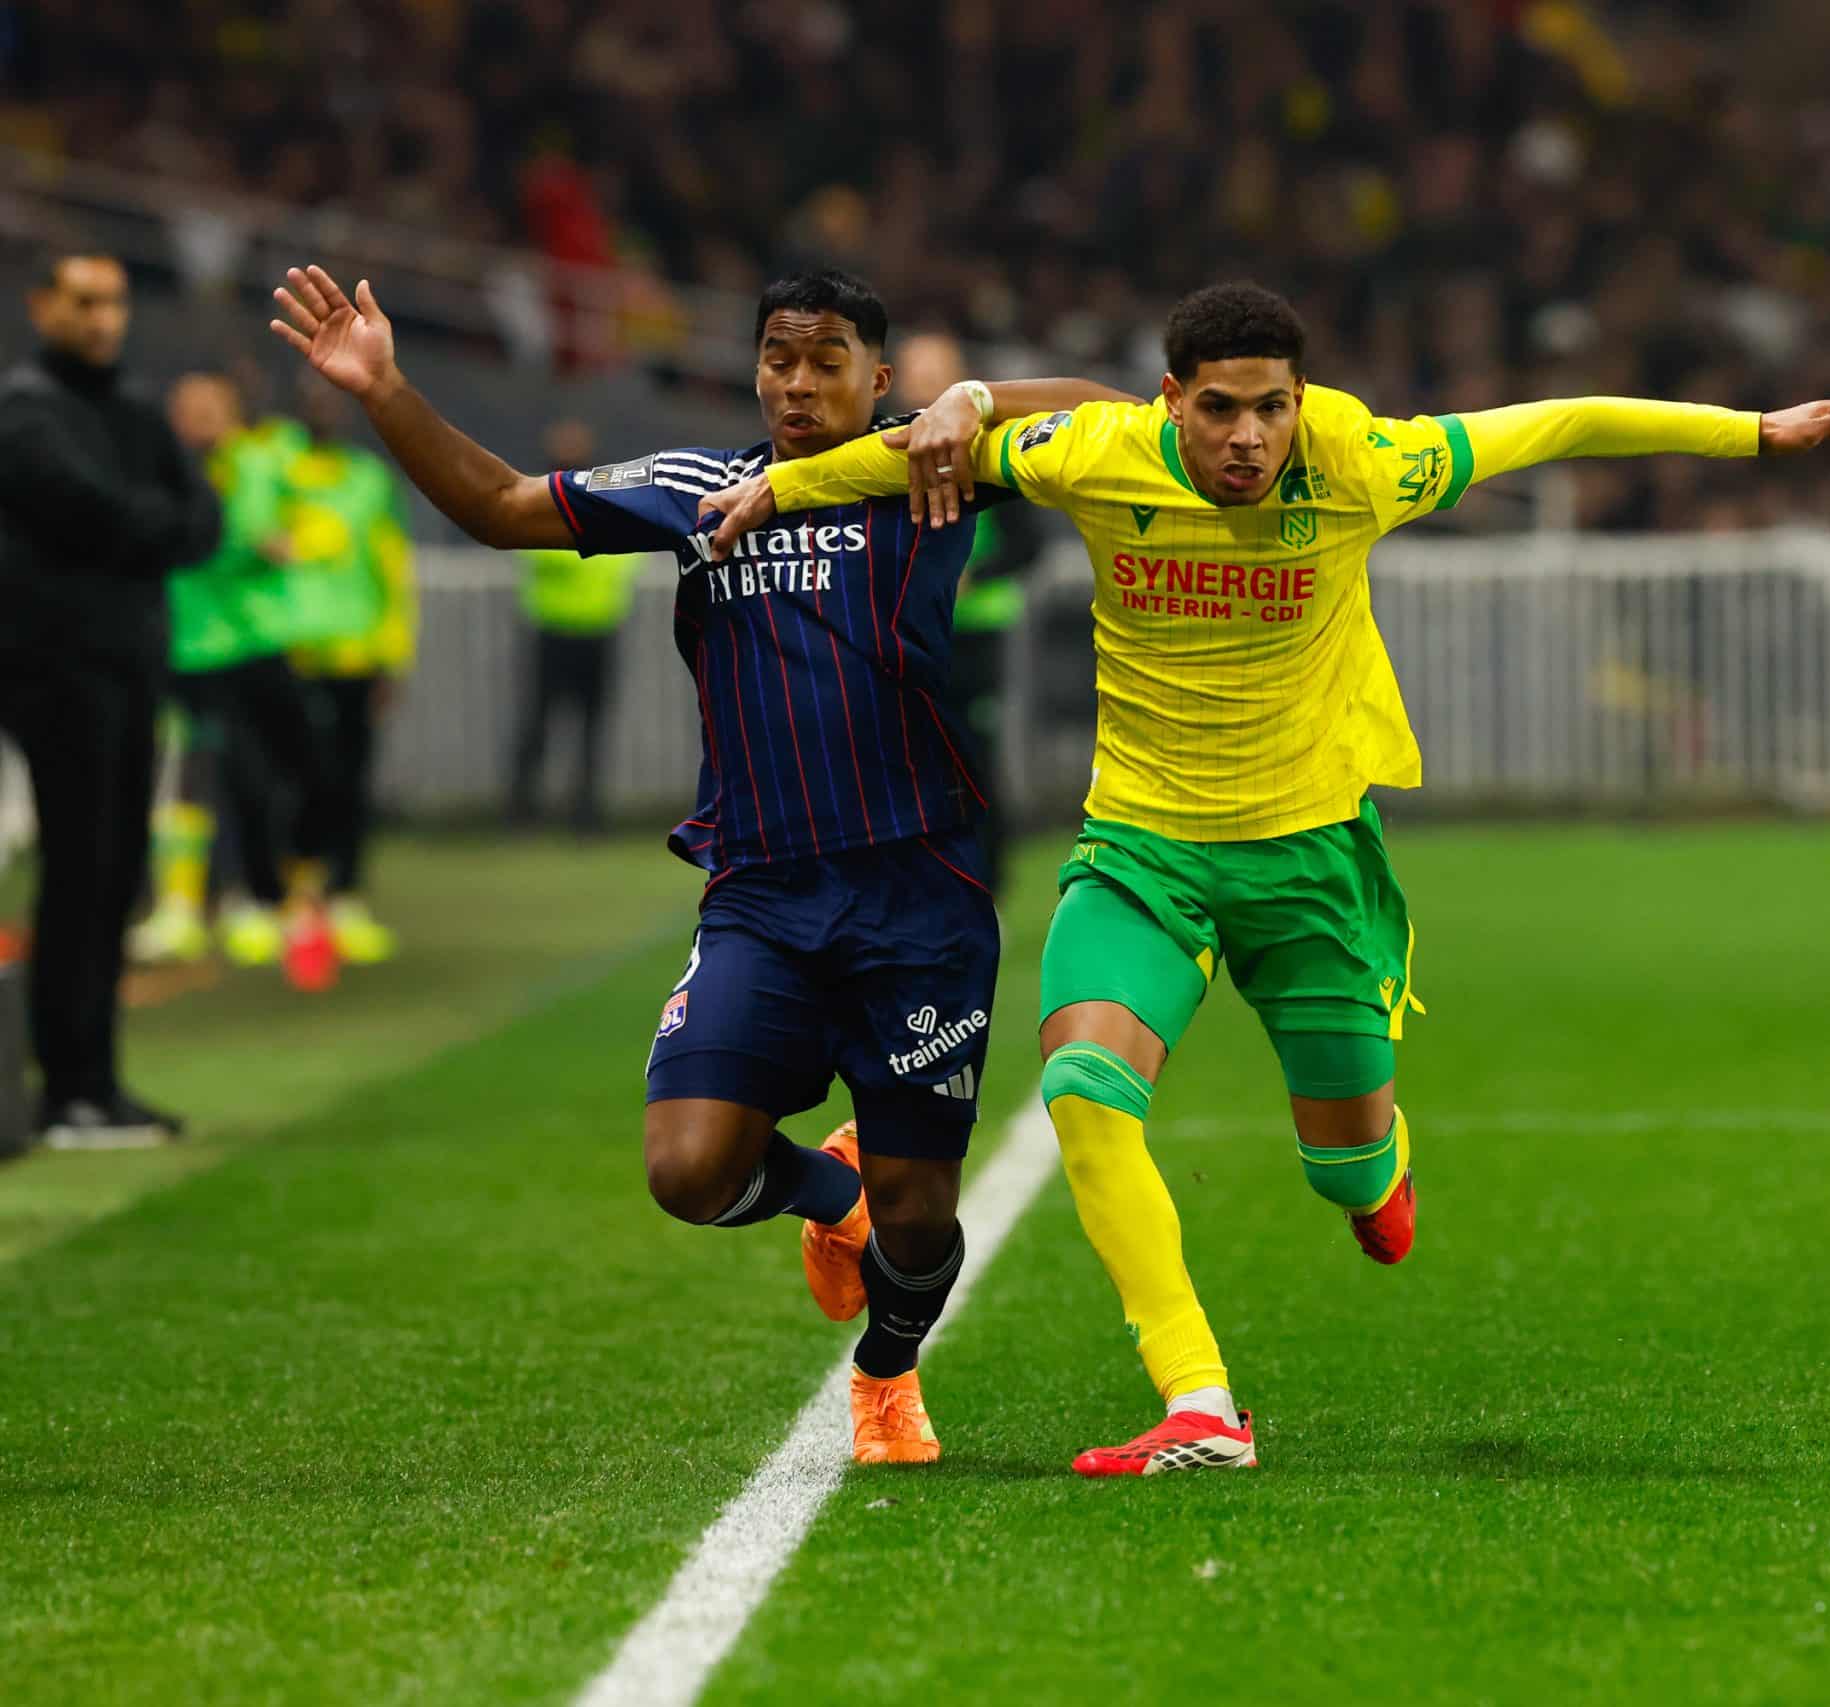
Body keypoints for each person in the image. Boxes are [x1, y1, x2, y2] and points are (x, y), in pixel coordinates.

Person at [701, 281, 1830, 1475]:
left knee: (1351, 1176)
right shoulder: (1100, 453)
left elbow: (1561, 421)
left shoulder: (1364, 459)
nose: (1248, 440)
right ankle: (1201, 1403)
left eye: (1272, 409)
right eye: (1220, 410)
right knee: (1081, 1085)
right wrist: (784, 485)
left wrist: (1758, 432)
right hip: (1141, 852)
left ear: (1301, 399)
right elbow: (896, 460)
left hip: (1309, 860)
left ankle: (1375, 1172)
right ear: (1170, 402)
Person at [269, 262, 1129, 1463]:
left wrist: (974, 399)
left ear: (879, 381)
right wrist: (385, 389)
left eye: (828, 359)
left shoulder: (929, 469)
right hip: (763, 899)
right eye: (779, 356)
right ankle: (835, 1199)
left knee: (924, 1224)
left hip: (917, 898)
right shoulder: (697, 486)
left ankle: (886, 1367)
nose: (797, 381)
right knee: (685, 1168)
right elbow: (505, 505)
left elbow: (1116, 413)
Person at [0, 252, 219, 1147]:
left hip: (129, 671)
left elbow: (201, 522)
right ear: (43, 304)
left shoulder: (132, 408)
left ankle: (96, 1081)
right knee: (81, 867)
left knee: (117, 871)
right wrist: (151, 523)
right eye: (84, 301)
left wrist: (145, 523)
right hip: (54, 670)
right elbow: (97, 511)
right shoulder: (22, 412)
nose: (102, 319)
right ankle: (68, 1088)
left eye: (115, 302)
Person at [133, 373, 322, 970]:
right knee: (192, 776)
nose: (199, 421)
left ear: (235, 414)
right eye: (187, 410)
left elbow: (297, 525)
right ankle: (185, 907)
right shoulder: (163, 470)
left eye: (210, 409)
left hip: (260, 643)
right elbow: (207, 540)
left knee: (270, 775)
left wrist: (287, 540)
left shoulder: (265, 461)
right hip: (192, 649)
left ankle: (263, 898)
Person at [891, 332, 1039, 890]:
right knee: (902, 764)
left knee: (973, 762)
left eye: (937, 373)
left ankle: (988, 885)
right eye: (917, 372)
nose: (925, 385)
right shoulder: (881, 448)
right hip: (903, 636)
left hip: (974, 638)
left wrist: (973, 578)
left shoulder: (992, 447)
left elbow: (1029, 543)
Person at [280, 376, 417, 974]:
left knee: (352, 779)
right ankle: (296, 897)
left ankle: (346, 898)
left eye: (330, 401)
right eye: (311, 401)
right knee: (299, 779)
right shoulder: (277, 474)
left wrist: (395, 651)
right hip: (292, 652)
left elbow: (391, 569)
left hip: (357, 654)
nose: (322, 410)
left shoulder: (367, 481)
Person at [509, 419, 648, 832]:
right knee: (538, 723)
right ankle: (522, 812)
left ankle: (585, 814)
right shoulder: (539, 495)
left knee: (591, 727)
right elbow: (529, 549)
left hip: (599, 626)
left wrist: (576, 551)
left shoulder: (607, 499)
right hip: (553, 626)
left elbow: (629, 552)